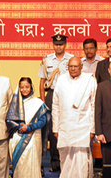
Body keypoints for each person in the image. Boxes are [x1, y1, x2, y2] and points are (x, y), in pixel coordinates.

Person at [52, 57, 97, 178]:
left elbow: (94, 106)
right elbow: (55, 105)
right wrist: (55, 128)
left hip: (83, 128)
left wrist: (92, 129)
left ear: (81, 67)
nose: (72, 69)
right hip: (64, 127)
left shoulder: (89, 80)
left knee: (81, 162)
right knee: (65, 160)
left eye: (75, 66)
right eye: (70, 66)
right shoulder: (61, 80)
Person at [38, 34, 73, 171]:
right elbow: (42, 81)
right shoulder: (47, 59)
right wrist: (43, 99)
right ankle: (55, 162)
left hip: (68, 96)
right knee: (53, 130)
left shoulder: (71, 59)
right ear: (53, 45)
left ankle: (67, 161)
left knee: (66, 128)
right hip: (51, 95)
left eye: (61, 44)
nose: (59, 46)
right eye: (56, 44)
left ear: (65, 45)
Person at [6, 77, 49, 178]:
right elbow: (8, 120)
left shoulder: (38, 103)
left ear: (31, 87)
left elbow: (42, 121)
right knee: (19, 167)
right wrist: (19, 127)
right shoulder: (14, 103)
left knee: (32, 166)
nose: (24, 89)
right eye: (22, 87)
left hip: (33, 138)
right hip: (17, 138)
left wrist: (29, 128)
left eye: (27, 87)